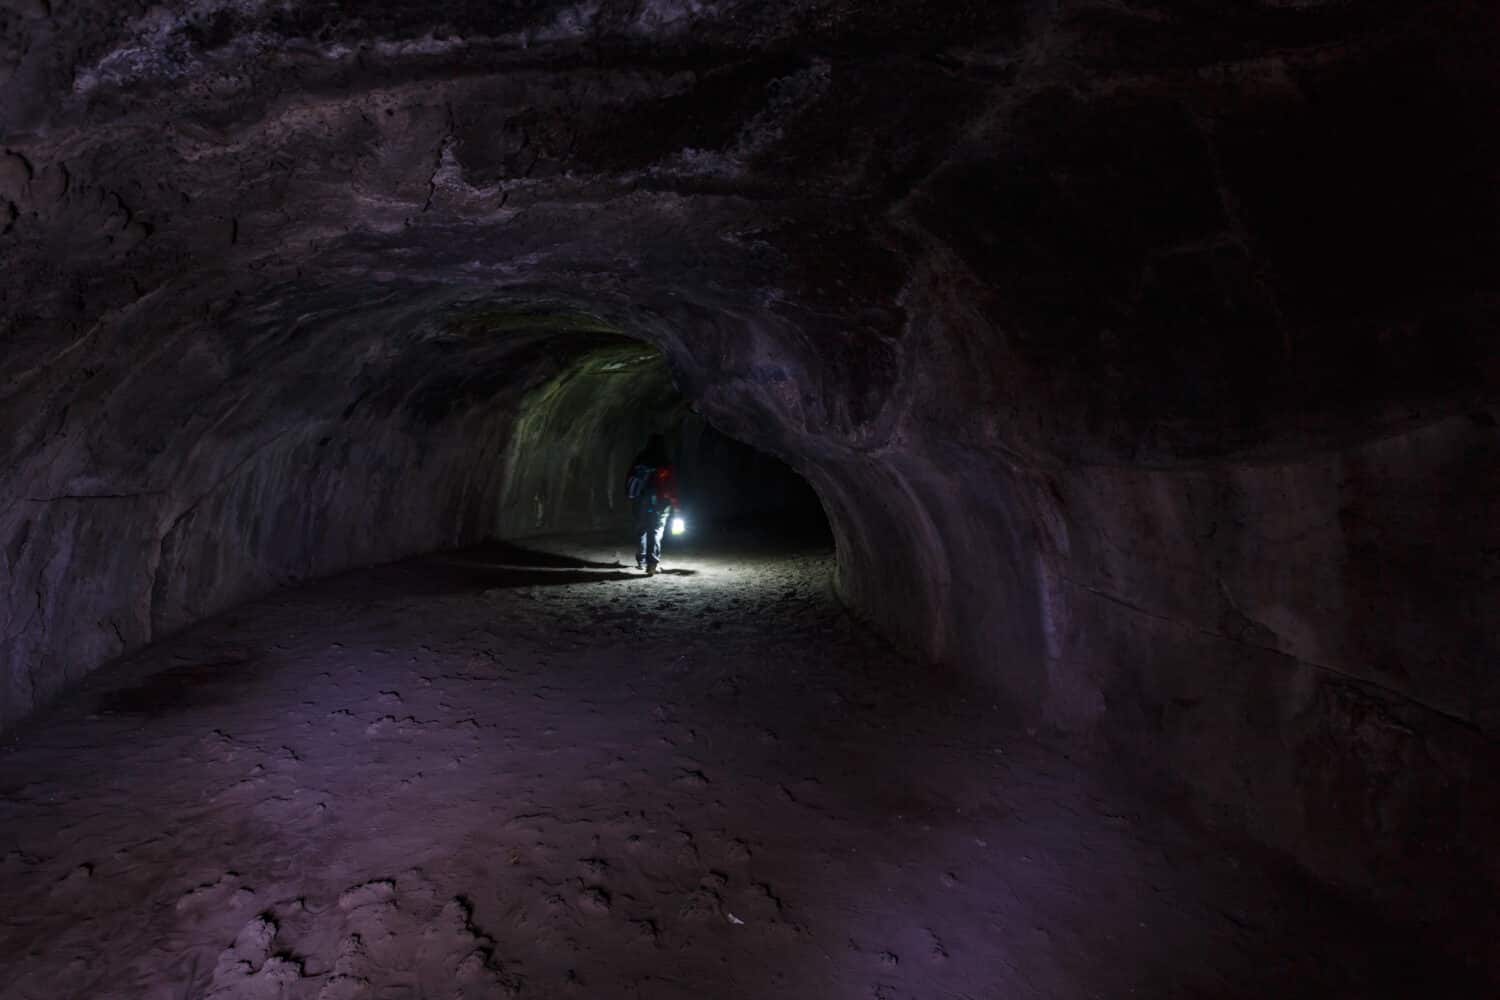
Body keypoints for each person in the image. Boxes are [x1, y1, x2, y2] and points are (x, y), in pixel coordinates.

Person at [626, 434, 680, 576]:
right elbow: (671, 485)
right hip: (661, 501)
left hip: (641, 499)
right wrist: (675, 504)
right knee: (656, 530)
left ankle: (641, 560)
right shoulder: (664, 461)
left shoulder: (641, 458)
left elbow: (629, 478)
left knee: (642, 528)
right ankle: (652, 564)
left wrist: (632, 497)